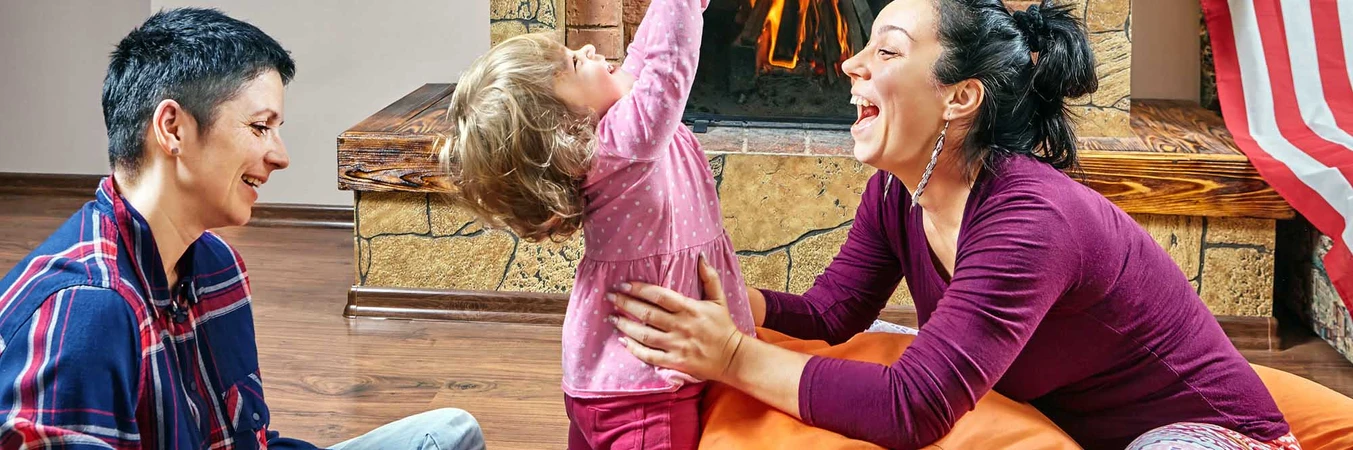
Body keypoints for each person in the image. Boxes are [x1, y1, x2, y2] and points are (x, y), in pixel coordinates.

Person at [605, 1, 1300, 449]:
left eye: (886, 50)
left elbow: (913, 409)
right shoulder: (895, 194)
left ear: (959, 98)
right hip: (1075, 424)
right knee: (882, 339)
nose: (849, 63)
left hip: (1210, 436)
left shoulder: (1031, 222)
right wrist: (729, 304)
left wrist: (730, 356)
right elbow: (832, 311)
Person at [0, 8, 483, 450]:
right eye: (260, 127)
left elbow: (248, 438)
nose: (281, 155)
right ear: (172, 128)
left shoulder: (216, 265)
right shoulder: (86, 309)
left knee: (448, 433)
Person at [438, 0, 755, 448]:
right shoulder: (622, 145)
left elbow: (645, 56)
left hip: (606, 381)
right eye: (573, 62)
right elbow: (669, 65)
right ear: (564, 125)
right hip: (646, 393)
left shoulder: (608, 134)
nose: (587, 50)